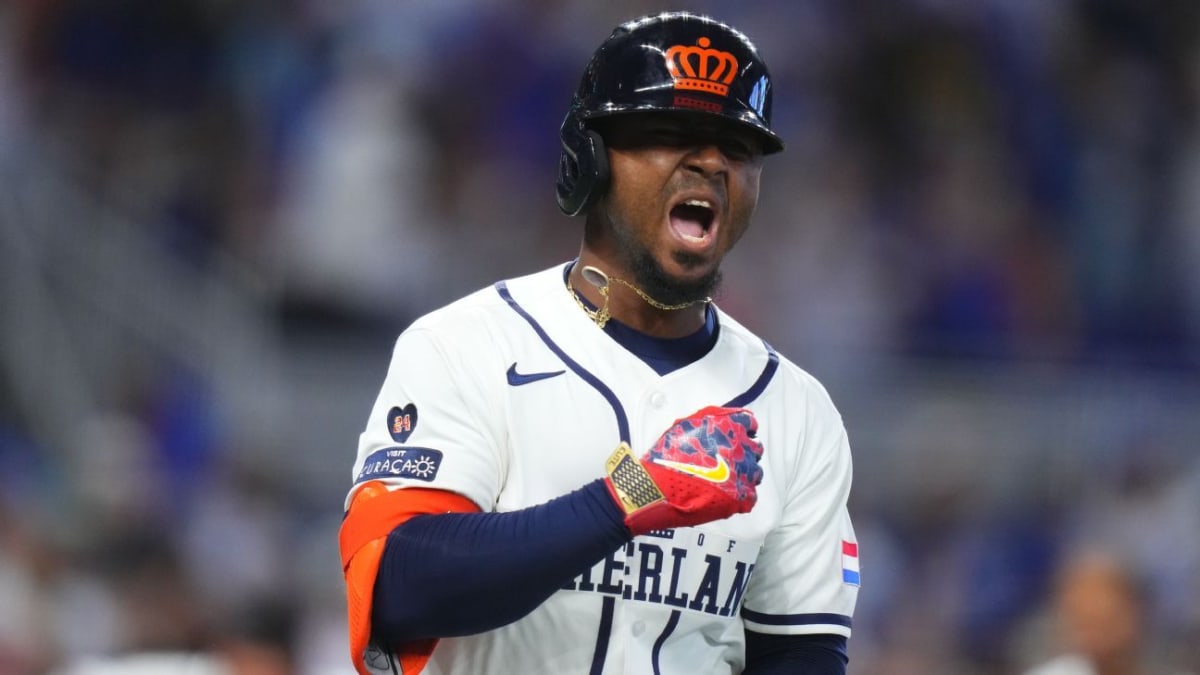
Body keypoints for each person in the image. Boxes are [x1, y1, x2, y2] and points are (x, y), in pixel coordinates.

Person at [338, 12, 860, 674]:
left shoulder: (797, 410)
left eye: (737, 146)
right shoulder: (465, 345)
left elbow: (802, 655)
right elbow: (399, 586)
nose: (710, 162)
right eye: (669, 133)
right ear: (590, 157)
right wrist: (631, 495)